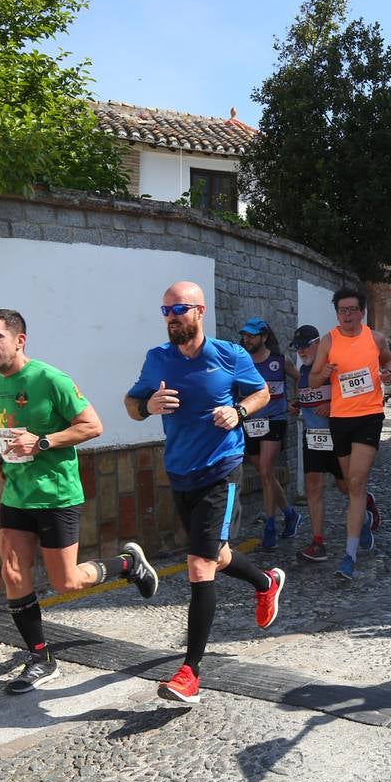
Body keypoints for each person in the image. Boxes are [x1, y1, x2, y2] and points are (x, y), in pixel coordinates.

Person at [0, 307, 159, 695]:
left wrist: (44, 442)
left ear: (19, 340)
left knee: (66, 581)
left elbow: (92, 426)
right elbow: (13, 432)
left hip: (56, 494)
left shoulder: (50, 379)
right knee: (12, 573)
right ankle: (40, 658)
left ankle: (127, 564)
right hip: (17, 493)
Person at [124, 282, 285, 704]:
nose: (172, 316)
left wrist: (239, 411)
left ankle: (190, 673)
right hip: (180, 471)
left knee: (199, 563)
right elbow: (130, 402)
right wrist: (147, 407)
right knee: (216, 553)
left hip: (221, 469)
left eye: (179, 308)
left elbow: (262, 391)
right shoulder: (157, 359)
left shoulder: (229, 354)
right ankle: (265, 581)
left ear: (200, 311)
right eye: (166, 310)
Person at [310, 287, 391, 580]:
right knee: (347, 485)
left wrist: (388, 374)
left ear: (362, 312)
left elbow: (388, 360)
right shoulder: (328, 341)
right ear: (337, 314)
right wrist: (325, 372)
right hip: (340, 418)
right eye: (342, 310)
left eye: (352, 310)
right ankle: (366, 518)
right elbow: (313, 377)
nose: (347, 315)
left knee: (357, 480)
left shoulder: (375, 338)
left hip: (369, 416)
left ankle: (349, 555)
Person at [288, 324, 350, 562]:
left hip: (338, 437)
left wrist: (333, 406)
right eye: (298, 348)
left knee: (345, 487)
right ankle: (317, 542)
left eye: (305, 346)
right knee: (314, 487)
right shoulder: (303, 374)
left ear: (317, 344)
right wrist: (297, 405)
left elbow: (354, 396)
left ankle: (366, 507)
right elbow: (307, 400)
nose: (302, 351)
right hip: (313, 437)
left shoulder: (332, 368)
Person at [238, 317, 301, 550]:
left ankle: (270, 526)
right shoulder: (241, 362)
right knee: (266, 475)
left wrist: (297, 400)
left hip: (275, 420)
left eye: (252, 335)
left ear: (264, 337)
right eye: (245, 335)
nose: (247, 339)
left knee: (265, 470)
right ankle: (290, 513)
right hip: (251, 421)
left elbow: (299, 378)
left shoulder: (279, 361)